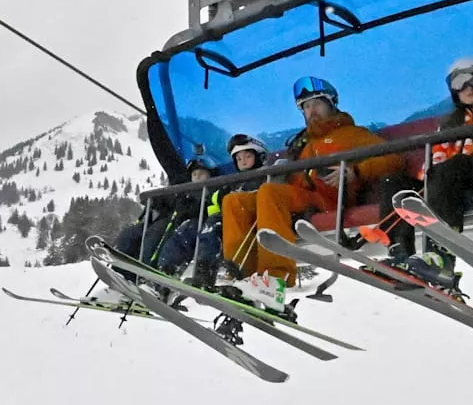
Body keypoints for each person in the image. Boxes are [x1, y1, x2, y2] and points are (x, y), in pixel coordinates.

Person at [221, 76, 408, 287]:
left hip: (328, 201)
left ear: (331, 104)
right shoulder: (304, 143)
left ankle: (275, 278)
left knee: (270, 193)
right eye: (306, 107)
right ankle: (240, 276)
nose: (311, 110)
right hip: (297, 198)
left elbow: (394, 159)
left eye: (317, 103)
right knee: (234, 201)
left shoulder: (353, 134)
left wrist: (356, 171)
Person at [397, 58, 473, 288]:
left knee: (463, 163)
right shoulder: (451, 124)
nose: (468, 88)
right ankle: (439, 256)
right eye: (459, 82)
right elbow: (437, 157)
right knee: (443, 171)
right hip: (457, 188)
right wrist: (430, 176)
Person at [95, 158, 220, 301]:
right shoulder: (184, 190)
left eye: (202, 174)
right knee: (132, 234)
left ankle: (149, 279)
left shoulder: (210, 192)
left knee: (158, 235)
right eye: (194, 174)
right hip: (172, 219)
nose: (197, 177)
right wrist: (158, 202)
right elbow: (169, 203)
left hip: (186, 223)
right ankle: (122, 275)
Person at [157, 135, 270, 289]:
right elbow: (215, 203)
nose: (243, 161)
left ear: (260, 156)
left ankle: (206, 274)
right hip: (226, 218)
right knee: (188, 229)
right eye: (238, 158)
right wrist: (219, 196)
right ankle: (166, 273)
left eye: (248, 156)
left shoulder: (265, 176)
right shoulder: (234, 181)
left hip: (249, 220)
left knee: (213, 226)